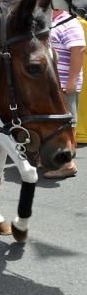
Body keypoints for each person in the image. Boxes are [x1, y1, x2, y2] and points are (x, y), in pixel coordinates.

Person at [43, 9, 85, 179]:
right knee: (52, 123)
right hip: (52, 85)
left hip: (64, 83)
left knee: (66, 123)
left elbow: (78, 49)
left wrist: (72, 81)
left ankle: (68, 165)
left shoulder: (69, 22)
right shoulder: (49, 20)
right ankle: (53, 159)